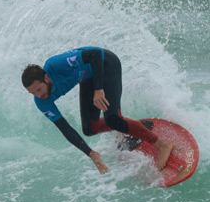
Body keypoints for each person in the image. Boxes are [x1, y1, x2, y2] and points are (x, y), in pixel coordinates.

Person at [21, 46, 173, 174]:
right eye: (33, 93)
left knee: (112, 119)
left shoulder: (56, 65)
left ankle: (161, 144)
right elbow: (65, 129)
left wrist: (98, 90)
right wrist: (91, 153)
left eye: (39, 89)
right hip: (87, 78)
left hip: (105, 64)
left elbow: (95, 54)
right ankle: (127, 125)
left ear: (46, 78)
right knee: (90, 128)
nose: (39, 96)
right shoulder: (42, 102)